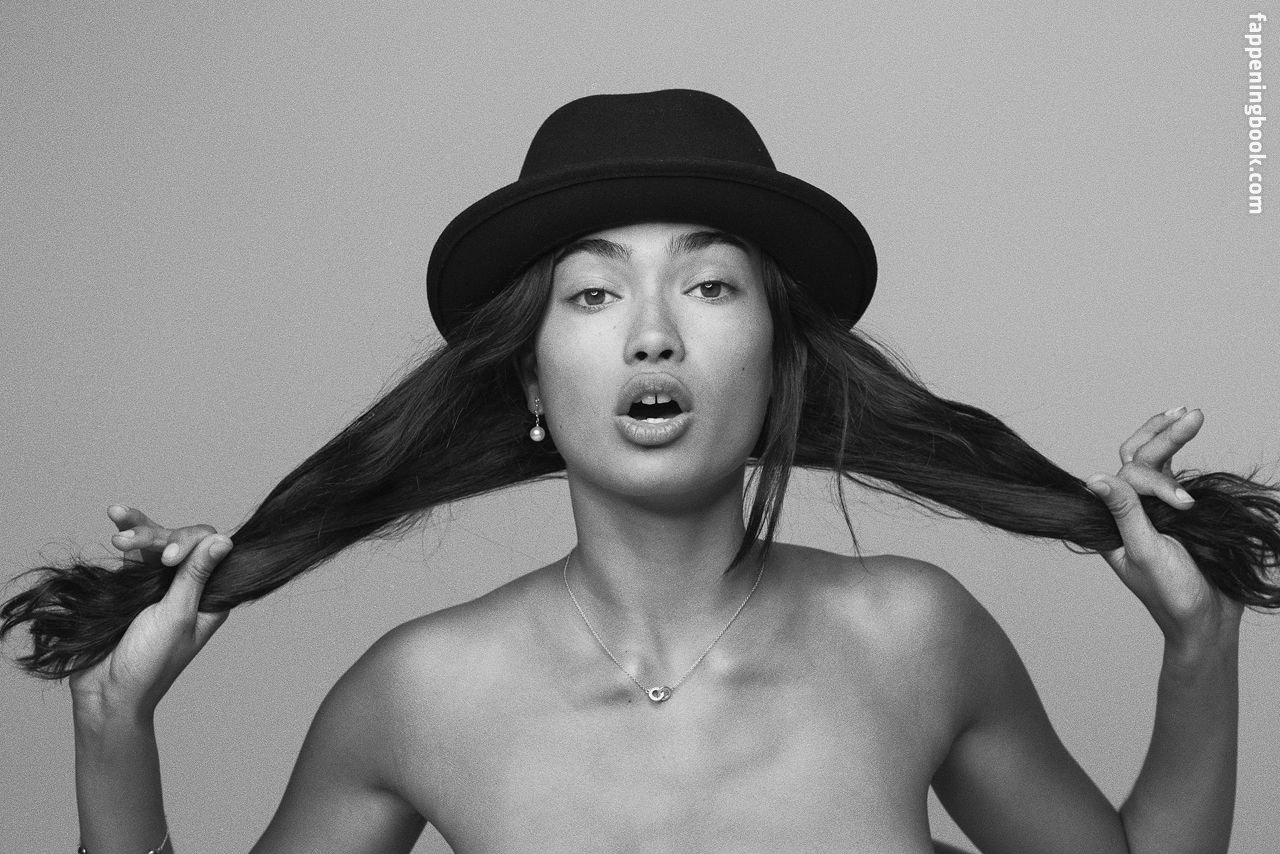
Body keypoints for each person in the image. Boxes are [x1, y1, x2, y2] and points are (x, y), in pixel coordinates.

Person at [4, 89, 1279, 854]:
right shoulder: (419, 692)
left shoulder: (912, 633)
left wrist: (1197, 647)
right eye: (594, 292)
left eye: (710, 284)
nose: (653, 331)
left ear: (777, 364)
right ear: (526, 380)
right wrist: (115, 730)